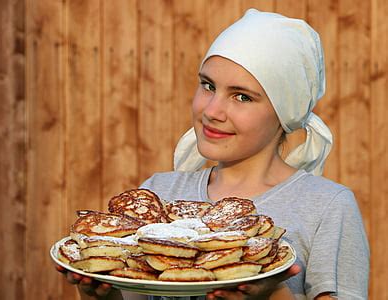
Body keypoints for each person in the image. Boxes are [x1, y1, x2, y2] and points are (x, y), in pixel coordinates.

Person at [56, 8, 369, 300]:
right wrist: (103, 295)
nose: (212, 110)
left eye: (242, 96)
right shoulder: (158, 193)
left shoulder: (326, 207)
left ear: (284, 111)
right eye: (208, 86)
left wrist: (272, 295)